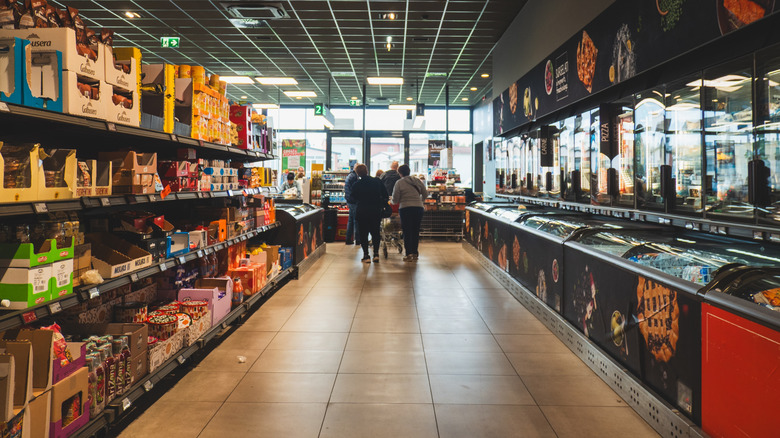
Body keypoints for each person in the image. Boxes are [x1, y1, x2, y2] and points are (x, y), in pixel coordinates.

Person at [349, 163, 388, 263]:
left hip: (362, 211)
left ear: (358, 173)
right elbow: (385, 195)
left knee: (363, 234)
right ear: (367, 171)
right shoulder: (377, 181)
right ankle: (376, 254)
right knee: (375, 233)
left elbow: (352, 198)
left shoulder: (357, 184)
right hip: (375, 211)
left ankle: (366, 255)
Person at [392, 164, 427, 262]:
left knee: (407, 231)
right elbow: (425, 193)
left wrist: (392, 201)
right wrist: (419, 200)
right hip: (418, 208)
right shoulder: (417, 180)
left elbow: (395, 199)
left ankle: (409, 254)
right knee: (415, 230)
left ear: (400, 173)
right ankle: (415, 252)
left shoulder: (399, 183)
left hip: (406, 208)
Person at [344, 165, 360, 245]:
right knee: (356, 221)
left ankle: (348, 239)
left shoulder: (350, 175)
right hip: (353, 201)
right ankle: (358, 240)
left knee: (350, 221)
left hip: (349, 200)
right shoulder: (354, 177)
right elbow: (355, 190)